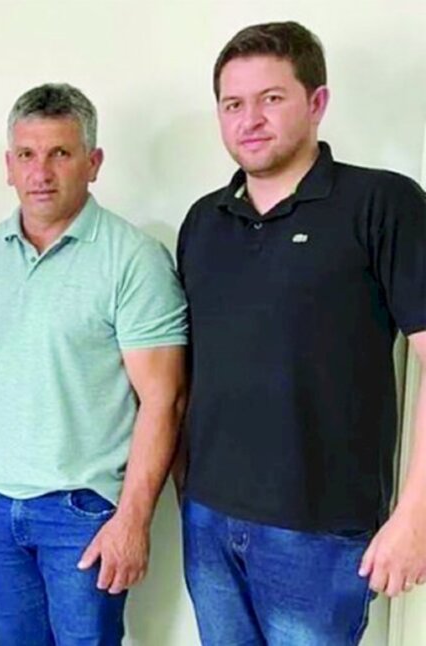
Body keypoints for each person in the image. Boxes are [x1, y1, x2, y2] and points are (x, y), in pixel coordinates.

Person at [177, 21, 426, 645]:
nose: (250, 119)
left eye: (272, 98)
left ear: (317, 102)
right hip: (209, 521)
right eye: (233, 104)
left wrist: (415, 516)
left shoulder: (381, 204)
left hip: (318, 535)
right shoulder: (204, 221)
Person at [0, 83, 189, 645]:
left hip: (83, 511)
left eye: (60, 154)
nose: (40, 172)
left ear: (93, 163)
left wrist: (133, 520)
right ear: (9, 167)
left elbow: (164, 400)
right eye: (27, 155)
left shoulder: (134, 260)